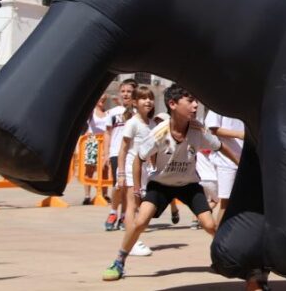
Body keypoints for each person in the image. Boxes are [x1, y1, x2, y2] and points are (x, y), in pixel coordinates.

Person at [101, 85, 239, 282]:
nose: (195, 105)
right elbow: (138, 158)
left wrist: (239, 164)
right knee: (140, 221)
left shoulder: (198, 129)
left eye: (195, 101)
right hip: (161, 184)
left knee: (210, 225)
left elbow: (220, 146)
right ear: (172, 104)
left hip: (189, 185)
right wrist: (138, 188)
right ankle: (119, 261)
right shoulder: (159, 132)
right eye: (190, 101)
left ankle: (223, 259)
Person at [118, 86, 158, 257]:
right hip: (130, 168)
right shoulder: (132, 123)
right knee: (132, 205)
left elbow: (154, 150)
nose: (147, 101)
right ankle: (131, 242)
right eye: (143, 98)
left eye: (150, 98)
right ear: (135, 102)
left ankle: (134, 238)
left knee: (141, 205)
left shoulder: (152, 124)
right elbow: (123, 149)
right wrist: (120, 173)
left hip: (145, 171)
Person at [203, 108, 244, 226]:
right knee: (226, 202)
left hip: (245, 157)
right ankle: (217, 239)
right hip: (226, 161)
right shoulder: (219, 102)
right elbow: (213, 129)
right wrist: (239, 134)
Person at [105, 79, 137, 231]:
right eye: (123, 91)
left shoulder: (137, 114)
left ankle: (125, 215)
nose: (126, 94)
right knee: (118, 186)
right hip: (116, 153)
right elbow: (107, 133)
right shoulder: (113, 113)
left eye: (129, 91)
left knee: (128, 187)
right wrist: (106, 153)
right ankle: (113, 212)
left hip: (132, 154)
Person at [84, 93, 113, 205]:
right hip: (92, 141)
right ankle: (87, 196)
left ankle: (104, 194)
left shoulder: (108, 113)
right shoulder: (92, 112)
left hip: (104, 142)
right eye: (100, 98)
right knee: (89, 168)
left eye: (104, 99)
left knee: (105, 168)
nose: (102, 100)